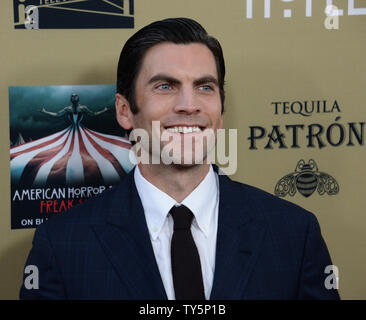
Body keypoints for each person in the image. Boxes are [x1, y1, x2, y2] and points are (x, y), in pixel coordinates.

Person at [19, 18, 340, 300]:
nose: (189, 105)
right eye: (165, 86)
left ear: (220, 109)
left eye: (204, 86)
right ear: (124, 110)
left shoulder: (294, 234)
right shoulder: (63, 245)